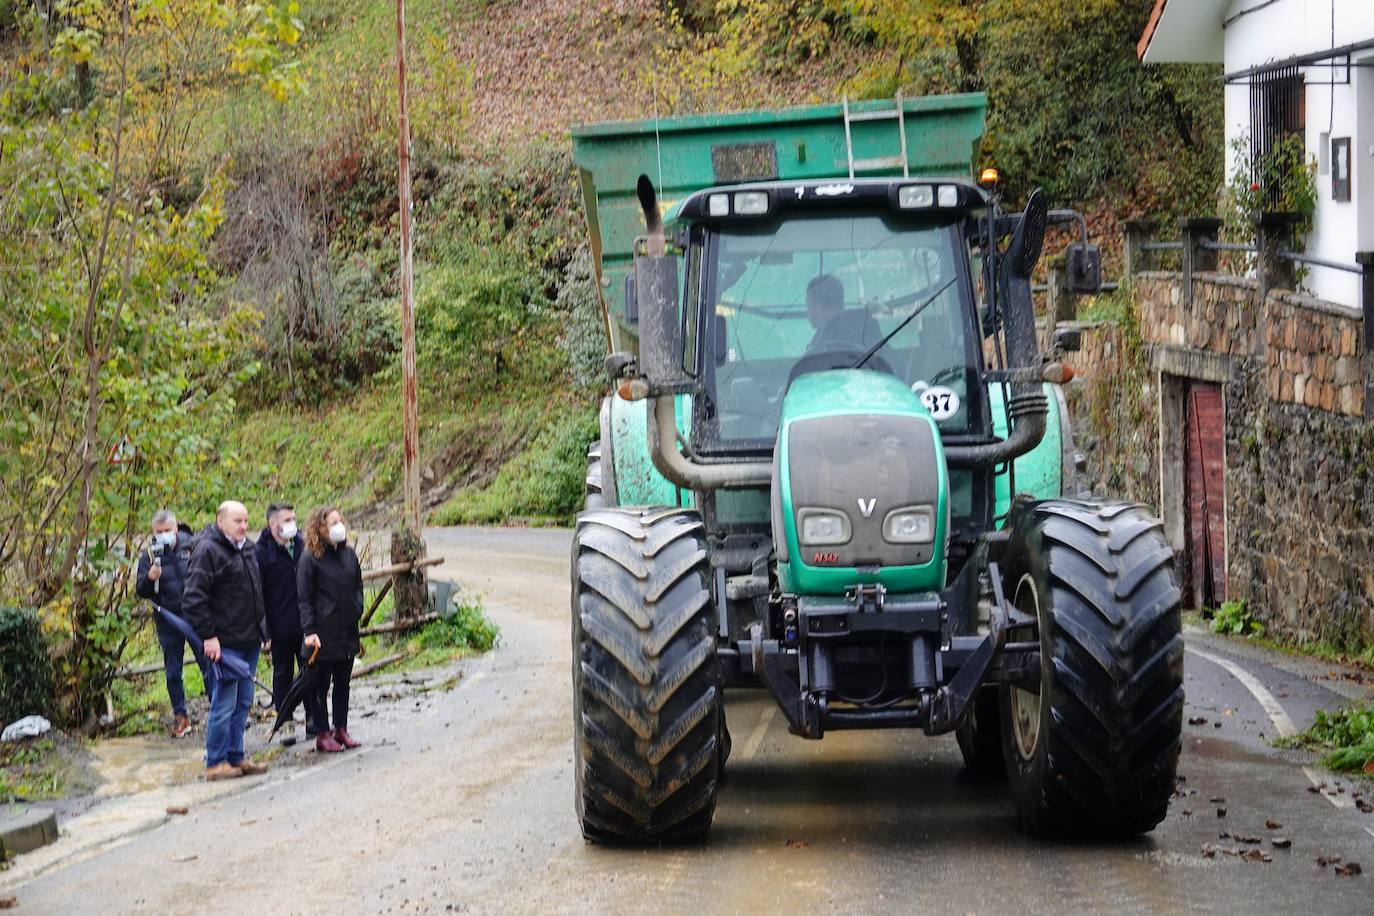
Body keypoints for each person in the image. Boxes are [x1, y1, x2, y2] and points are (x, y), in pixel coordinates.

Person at [183, 500, 270, 781]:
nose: (244, 527)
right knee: (224, 703)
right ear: (221, 522)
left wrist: (263, 631)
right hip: (225, 642)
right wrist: (209, 636)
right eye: (237, 522)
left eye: (246, 521)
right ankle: (215, 761)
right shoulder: (208, 550)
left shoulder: (247, 548)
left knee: (244, 700)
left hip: (249, 639)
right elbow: (194, 599)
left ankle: (236, 755)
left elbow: (256, 592)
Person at [134, 509, 207, 739]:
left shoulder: (191, 547)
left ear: (176, 529)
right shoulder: (148, 555)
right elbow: (140, 590)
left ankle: (219, 707)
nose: (163, 535)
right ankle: (180, 715)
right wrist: (150, 578)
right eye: (159, 532)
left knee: (207, 662)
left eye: (167, 531)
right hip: (168, 620)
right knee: (173, 671)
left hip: (195, 617)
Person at [297, 506, 364, 754]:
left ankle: (341, 728)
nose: (339, 526)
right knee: (319, 685)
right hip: (322, 633)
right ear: (320, 528)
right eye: (333, 522)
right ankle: (322, 733)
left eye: (340, 521)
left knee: (343, 683)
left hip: (347, 629)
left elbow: (358, 584)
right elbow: (304, 597)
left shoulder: (348, 554)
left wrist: (358, 608)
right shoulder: (310, 558)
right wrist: (309, 630)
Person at [255, 501, 318, 736]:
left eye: (293, 519)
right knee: (282, 674)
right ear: (273, 524)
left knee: (310, 671)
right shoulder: (261, 552)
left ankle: (313, 716)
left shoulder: (303, 545)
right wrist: (264, 631)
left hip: (304, 623)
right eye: (287, 520)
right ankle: (286, 721)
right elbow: (257, 593)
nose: (292, 524)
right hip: (278, 625)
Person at [804, 274, 878, 354]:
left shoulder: (819, 343)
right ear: (841, 302)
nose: (807, 311)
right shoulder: (867, 325)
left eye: (807, 304)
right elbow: (888, 358)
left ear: (813, 305)